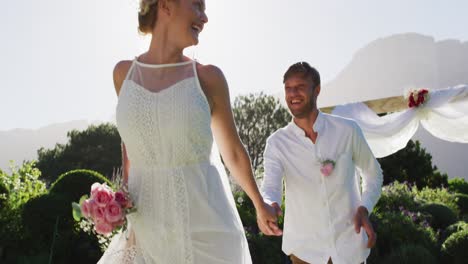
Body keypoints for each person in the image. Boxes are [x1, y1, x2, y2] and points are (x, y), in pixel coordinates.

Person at [97, 0, 278, 263]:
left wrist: (259, 204)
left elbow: (233, 152)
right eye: (197, 6)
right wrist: (122, 202)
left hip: (207, 229)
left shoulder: (208, 78)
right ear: (166, 5)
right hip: (147, 228)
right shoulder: (123, 74)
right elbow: (130, 144)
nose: (204, 18)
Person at [260, 62, 383, 264]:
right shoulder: (276, 143)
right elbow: (270, 187)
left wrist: (364, 208)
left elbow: (373, 174)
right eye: (288, 88)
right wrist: (270, 205)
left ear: (316, 90)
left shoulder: (347, 130)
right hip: (304, 252)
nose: (293, 93)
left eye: (300, 86)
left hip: (349, 249)